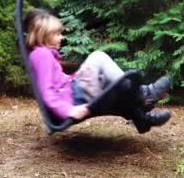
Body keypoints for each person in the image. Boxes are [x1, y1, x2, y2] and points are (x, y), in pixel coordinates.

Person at [24, 8, 172, 133]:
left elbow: (58, 83)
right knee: (98, 57)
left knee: (118, 87)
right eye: (56, 34)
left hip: (75, 93)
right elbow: (46, 92)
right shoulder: (41, 55)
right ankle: (144, 94)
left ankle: (141, 118)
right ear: (43, 35)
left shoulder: (44, 56)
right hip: (75, 98)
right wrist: (68, 111)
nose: (61, 37)